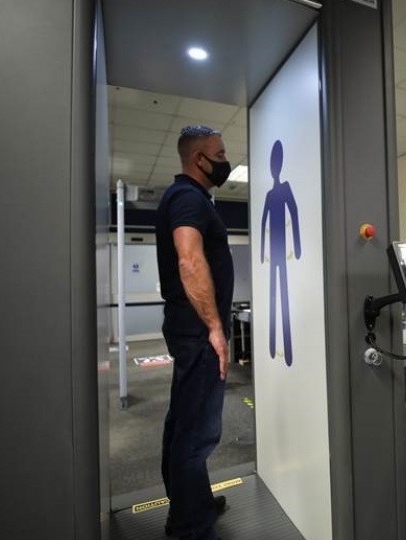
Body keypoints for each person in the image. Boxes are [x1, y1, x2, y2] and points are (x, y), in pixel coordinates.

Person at [156, 125, 235, 540]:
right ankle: (190, 526)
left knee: (183, 421)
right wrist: (216, 328)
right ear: (198, 159)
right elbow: (189, 260)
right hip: (199, 332)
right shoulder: (188, 198)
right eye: (219, 154)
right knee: (198, 432)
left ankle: (193, 503)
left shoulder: (185, 197)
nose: (225, 160)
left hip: (187, 329)